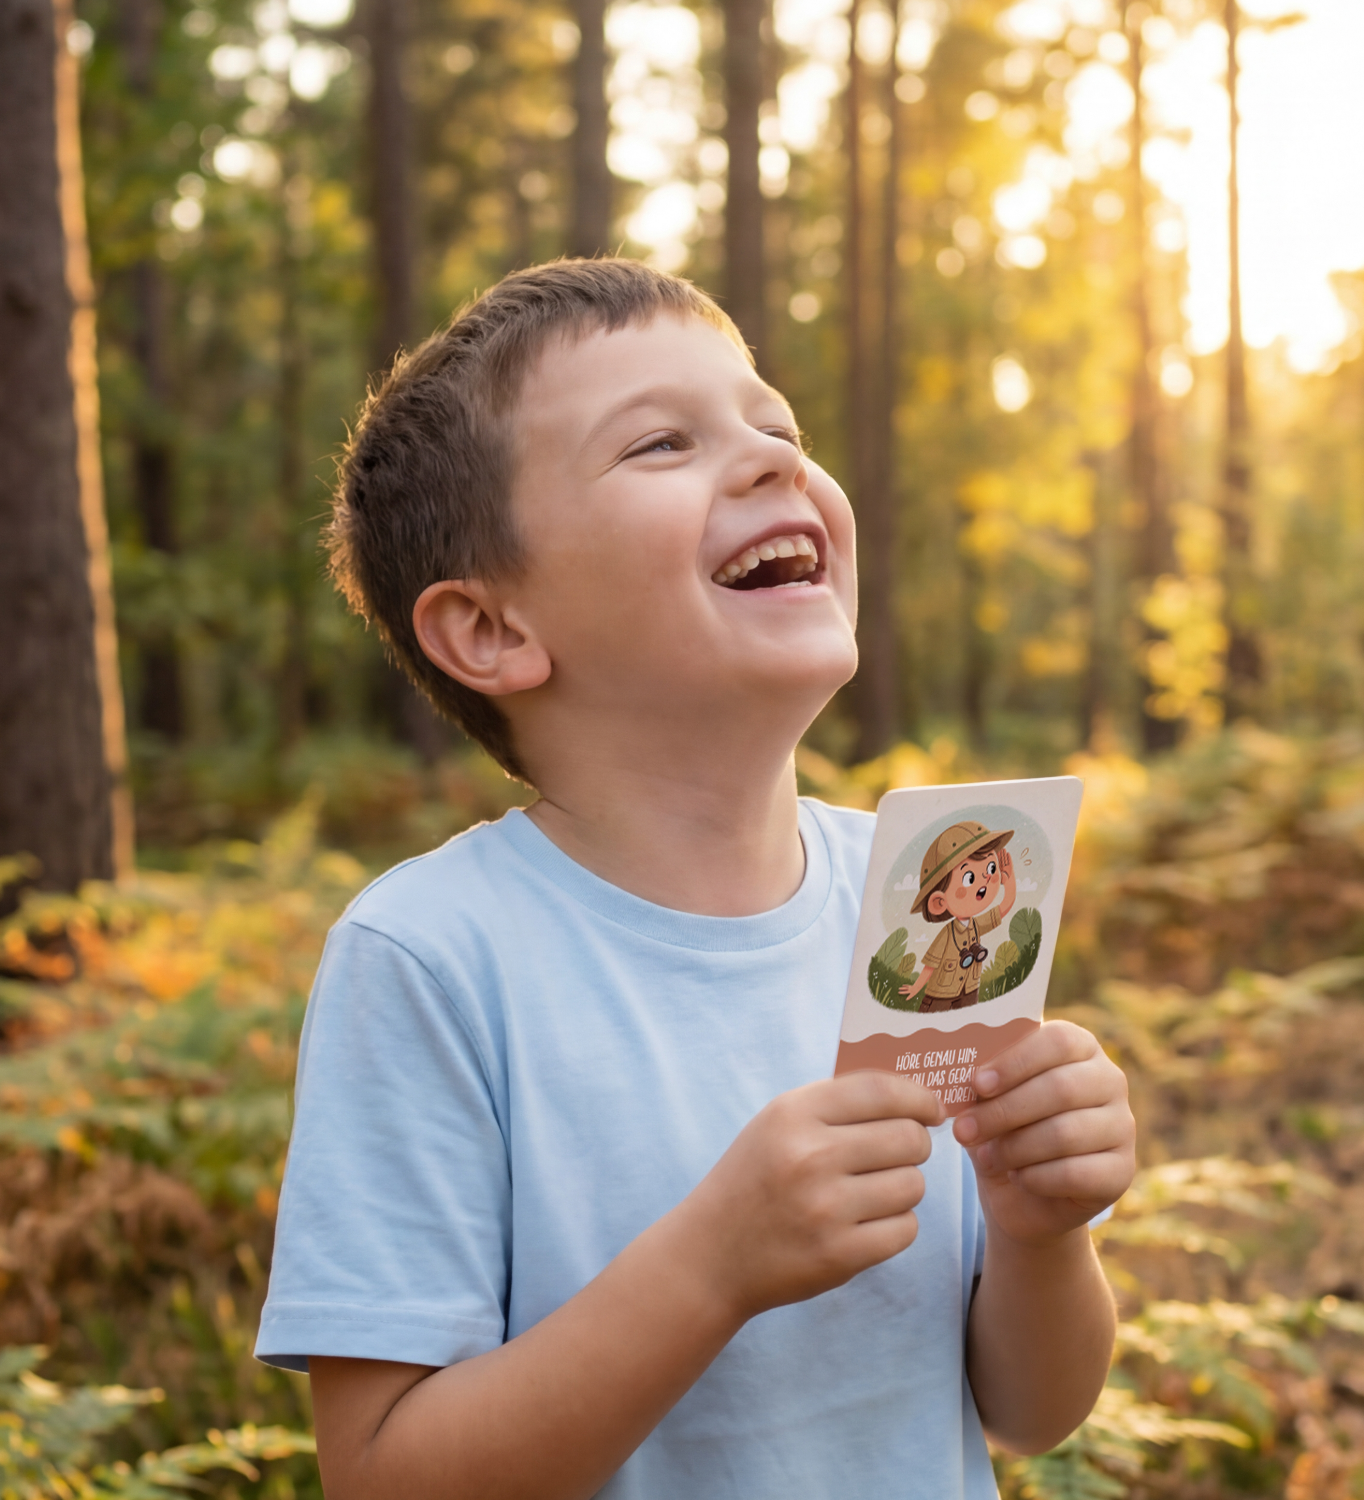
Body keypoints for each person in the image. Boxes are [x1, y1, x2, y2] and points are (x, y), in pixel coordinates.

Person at [254, 258, 1136, 1500]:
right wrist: (713, 1266)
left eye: (777, 425)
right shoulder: (431, 957)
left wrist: (1043, 1236)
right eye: (661, 443)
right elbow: (383, 1475)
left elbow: (1034, 1412)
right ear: (493, 631)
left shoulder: (919, 902)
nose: (776, 460)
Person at [899, 820, 1017, 1012]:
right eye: (969, 878)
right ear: (939, 902)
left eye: (990, 869)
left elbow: (1004, 907)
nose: (986, 879)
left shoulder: (977, 925)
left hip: (970, 992)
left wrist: (1009, 880)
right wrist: (916, 988)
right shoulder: (946, 935)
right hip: (940, 997)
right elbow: (930, 966)